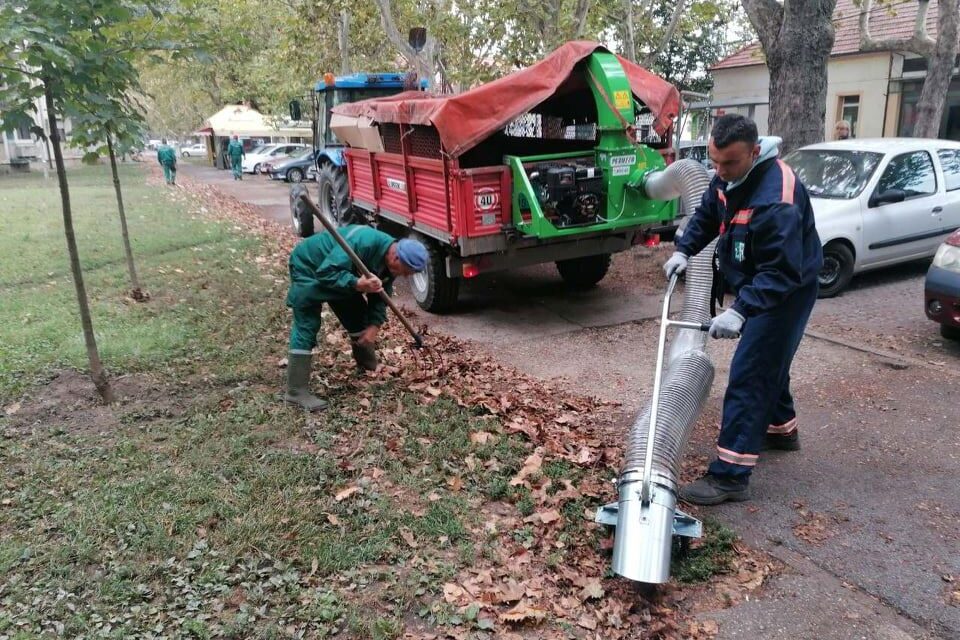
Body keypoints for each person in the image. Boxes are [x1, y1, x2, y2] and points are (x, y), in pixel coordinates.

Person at [663, 114, 823, 505]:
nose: (719, 171)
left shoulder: (776, 198)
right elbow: (707, 214)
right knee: (770, 361)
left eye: (728, 163)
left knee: (751, 372)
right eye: (714, 162)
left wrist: (741, 310)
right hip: (758, 283)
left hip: (785, 291)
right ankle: (781, 431)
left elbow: (782, 270)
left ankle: (730, 477)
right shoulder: (729, 176)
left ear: (755, 151)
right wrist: (684, 251)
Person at [284, 226, 429, 411]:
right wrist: (357, 284)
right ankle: (295, 392)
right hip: (310, 266)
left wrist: (374, 325)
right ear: (396, 257)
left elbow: (380, 294)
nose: (406, 276)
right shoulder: (363, 242)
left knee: (359, 317)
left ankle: (367, 364)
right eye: (406, 271)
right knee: (307, 326)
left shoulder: (389, 261)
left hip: (343, 272)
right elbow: (326, 273)